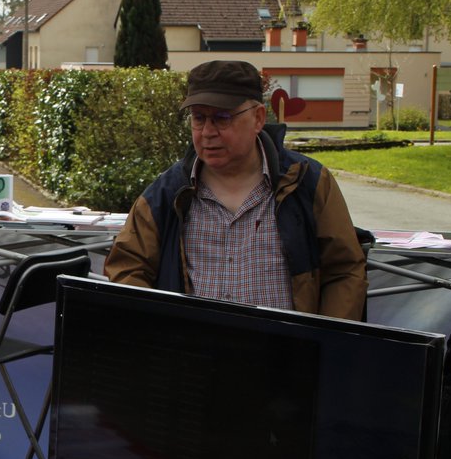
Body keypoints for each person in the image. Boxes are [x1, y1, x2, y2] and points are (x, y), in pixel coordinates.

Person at [104, 60, 367, 320]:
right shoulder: (167, 193)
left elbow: (344, 271)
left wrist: (324, 342)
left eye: (222, 118)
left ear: (258, 118)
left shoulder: (307, 181)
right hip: (193, 358)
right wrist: (159, 334)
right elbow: (127, 267)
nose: (207, 132)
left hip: (285, 357)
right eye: (198, 118)